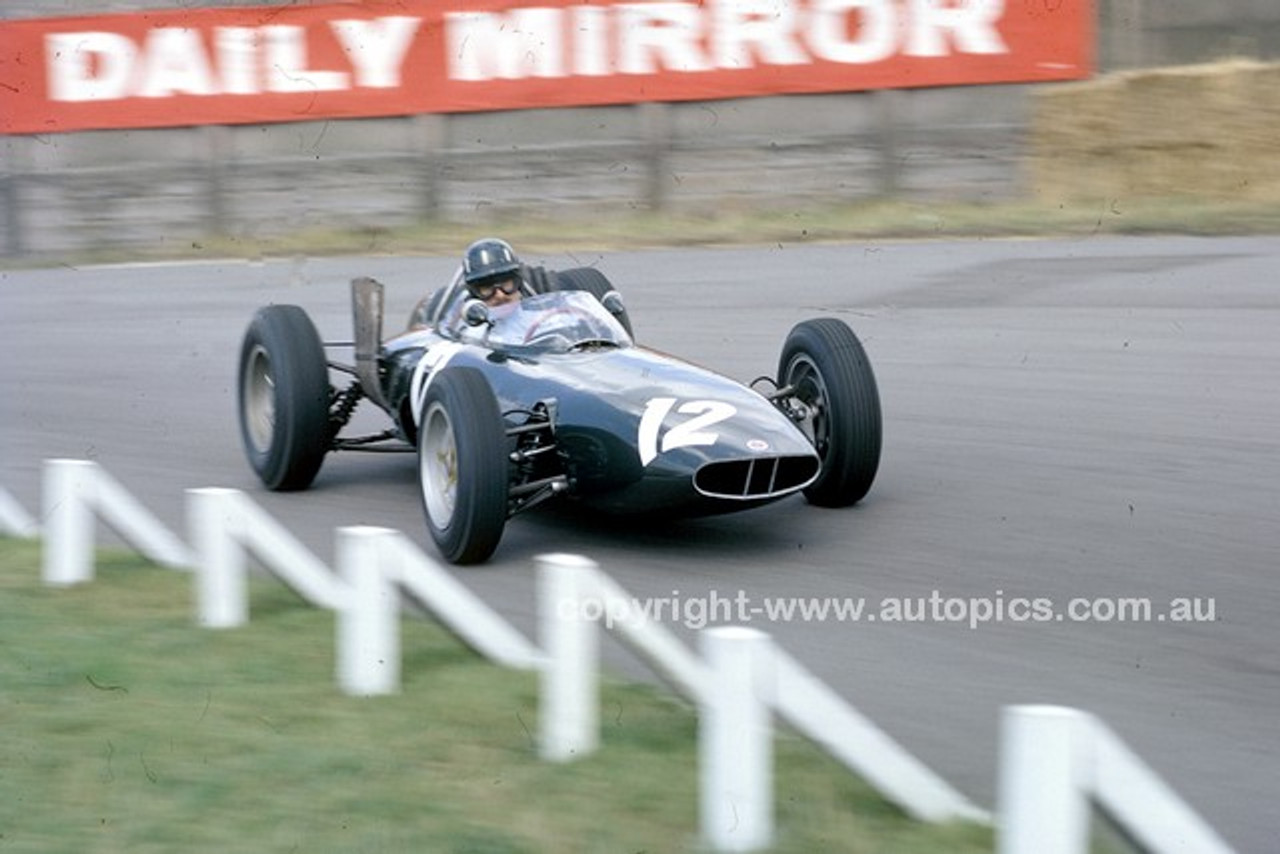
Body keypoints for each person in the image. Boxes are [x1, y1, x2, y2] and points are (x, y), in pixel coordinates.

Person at [461, 237, 524, 308]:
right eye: (487, 287)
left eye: (505, 283)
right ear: (475, 295)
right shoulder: (465, 313)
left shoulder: (535, 312)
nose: (500, 296)